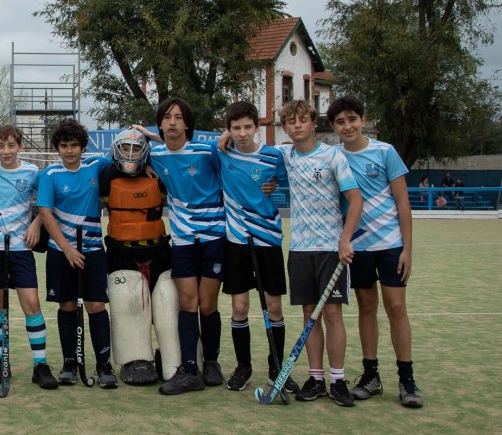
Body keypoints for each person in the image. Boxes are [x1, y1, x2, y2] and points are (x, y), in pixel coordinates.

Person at [328, 96, 423, 408]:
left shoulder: (385, 152)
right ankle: (371, 376)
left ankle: (407, 379)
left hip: (391, 246)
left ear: (363, 119)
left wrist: (407, 248)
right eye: (340, 122)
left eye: (352, 119)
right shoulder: (334, 157)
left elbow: (403, 203)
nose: (347, 126)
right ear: (333, 127)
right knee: (367, 308)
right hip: (359, 249)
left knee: (396, 307)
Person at [275, 99, 363, 407]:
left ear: (314, 124)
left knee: (332, 314)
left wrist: (345, 239)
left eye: (303, 120)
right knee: (308, 315)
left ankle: (338, 379)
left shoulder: (333, 156)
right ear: (284, 128)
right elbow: (247, 147)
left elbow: (355, 200)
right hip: (299, 248)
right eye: (290, 121)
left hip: (330, 249)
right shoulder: (284, 155)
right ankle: (315, 378)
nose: (297, 125)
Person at [143, 98, 227, 395]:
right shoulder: (155, 156)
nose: (173, 122)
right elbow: (119, 160)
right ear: (161, 124)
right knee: (188, 303)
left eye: (179, 117)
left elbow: (234, 163)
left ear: (187, 124)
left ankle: (212, 362)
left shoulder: (207, 151)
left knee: (208, 304)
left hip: (214, 237)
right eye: (167, 117)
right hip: (181, 241)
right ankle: (190, 370)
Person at [215, 102, 299, 395]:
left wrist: (276, 184)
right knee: (240, 307)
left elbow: (288, 182)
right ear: (229, 129)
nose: (242, 133)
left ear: (257, 127)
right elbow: (181, 141)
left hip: (268, 240)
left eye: (247, 127)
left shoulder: (272, 156)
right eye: (235, 128)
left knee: (273, 306)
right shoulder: (222, 152)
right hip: (237, 241)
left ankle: (277, 368)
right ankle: (243, 366)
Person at [37, 118, 118, 389]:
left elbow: (129, 159)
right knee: (68, 305)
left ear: (83, 147)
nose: (69, 150)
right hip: (61, 252)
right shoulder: (50, 175)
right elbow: (45, 213)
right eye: (63, 146)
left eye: (74, 145)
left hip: (93, 249)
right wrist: (67, 248)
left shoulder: (96, 165)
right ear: (57, 148)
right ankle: (70, 363)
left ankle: (104, 365)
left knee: (96, 305)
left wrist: (148, 168)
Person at [0, 125, 58, 389]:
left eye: (12, 145)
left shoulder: (33, 172)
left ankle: (40, 365)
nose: (6, 151)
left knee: (32, 305)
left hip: (22, 249)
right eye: (0, 146)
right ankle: (0, 361)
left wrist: (36, 224)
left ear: (20, 147)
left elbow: (48, 201)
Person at [98, 128, 178, 387]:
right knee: (130, 304)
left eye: (136, 148)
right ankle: (135, 357)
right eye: (125, 148)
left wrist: (153, 139)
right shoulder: (105, 176)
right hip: (123, 255)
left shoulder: (160, 173)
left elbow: (181, 149)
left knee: (169, 305)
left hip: (159, 252)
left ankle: (174, 359)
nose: (130, 154)